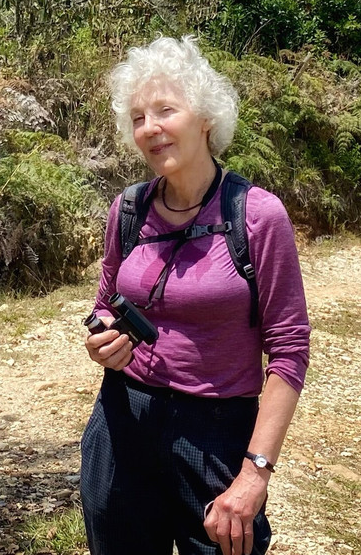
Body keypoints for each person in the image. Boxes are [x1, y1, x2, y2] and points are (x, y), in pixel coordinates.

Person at [79, 35, 310, 555]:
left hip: (216, 434)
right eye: (138, 117)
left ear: (205, 117)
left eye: (166, 110)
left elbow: (290, 350)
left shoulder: (256, 215)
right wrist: (101, 341)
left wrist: (255, 475)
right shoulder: (129, 209)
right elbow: (103, 301)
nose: (150, 128)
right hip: (123, 419)